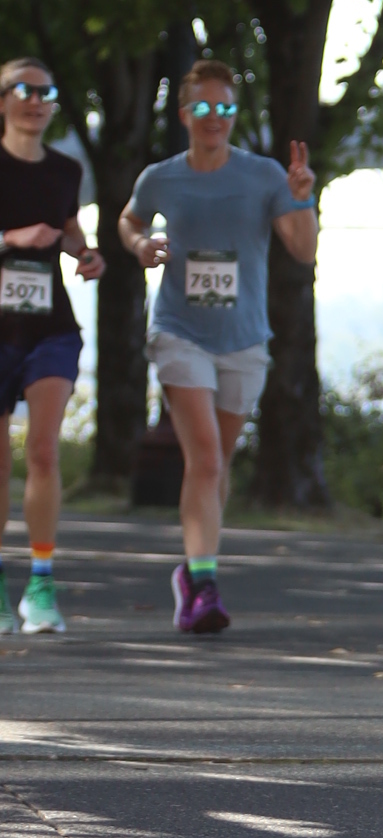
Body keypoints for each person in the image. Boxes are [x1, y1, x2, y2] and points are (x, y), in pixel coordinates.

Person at [118, 61, 316, 635]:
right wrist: (139, 243)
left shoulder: (265, 176)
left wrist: (302, 199)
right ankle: (204, 586)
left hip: (244, 338)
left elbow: (303, 251)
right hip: (180, 331)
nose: (215, 118)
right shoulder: (162, 177)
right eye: (203, 107)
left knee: (216, 464)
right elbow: (129, 219)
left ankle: (193, 570)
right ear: (185, 114)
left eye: (225, 108)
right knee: (204, 459)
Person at [0, 57, 104, 637]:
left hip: (50, 327)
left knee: (42, 450)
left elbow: (68, 229)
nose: (36, 101)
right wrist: (9, 237)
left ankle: (41, 584)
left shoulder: (66, 169)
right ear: (3, 101)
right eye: (24, 90)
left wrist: (84, 254)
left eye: (46, 92)